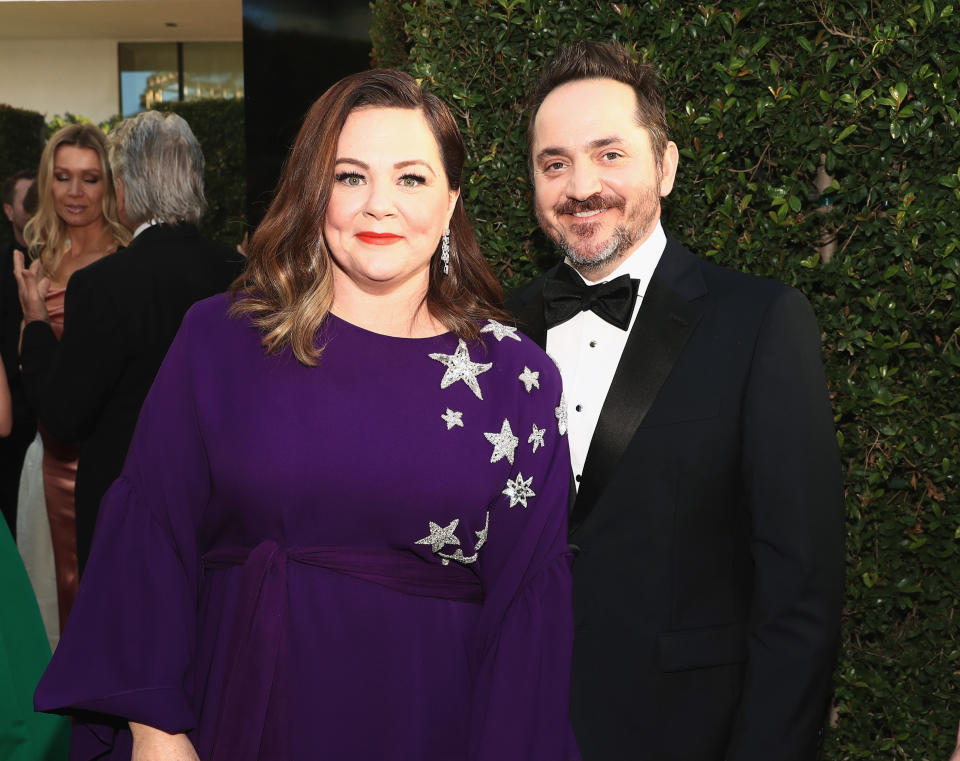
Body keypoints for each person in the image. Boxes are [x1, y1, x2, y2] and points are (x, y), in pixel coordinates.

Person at [36, 69, 578, 761]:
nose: (379, 205)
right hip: (239, 714)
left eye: (411, 178)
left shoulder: (518, 379)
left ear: (450, 205)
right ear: (313, 193)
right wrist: (155, 730)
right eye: (350, 176)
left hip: (434, 724)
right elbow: (152, 534)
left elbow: (528, 616)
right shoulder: (222, 339)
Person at [508, 40, 845, 761]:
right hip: (514, 724)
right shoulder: (493, 334)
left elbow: (800, 591)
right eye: (554, 163)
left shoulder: (759, 323)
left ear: (665, 166)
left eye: (610, 154)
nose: (580, 185)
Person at [16, 110, 242, 572]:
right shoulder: (241, 275)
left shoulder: (104, 284)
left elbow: (63, 418)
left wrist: (37, 326)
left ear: (123, 189)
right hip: (224, 509)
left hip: (127, 515)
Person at [15, 124, 129, 634]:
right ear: (48, 182)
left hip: (109, 457)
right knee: (43, 597)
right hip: (47, 454)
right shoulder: (39, 263)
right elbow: (28, 364)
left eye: (90, 178)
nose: (76, 193)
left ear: (110, 185)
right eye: (63, 178)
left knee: (105, 596)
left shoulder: (124, 263)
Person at [0, 171, 38, 536]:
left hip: (47, 405)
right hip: (9, 401)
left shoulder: (63, 259)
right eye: (27, 202)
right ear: (9, 211)